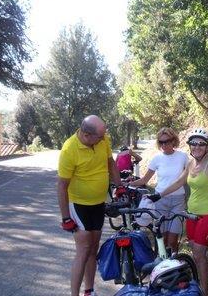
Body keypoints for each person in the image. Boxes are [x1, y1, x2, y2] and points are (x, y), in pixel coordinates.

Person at [148, 128, 208, 296]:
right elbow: (179, 183)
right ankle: (199, 286)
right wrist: (159, 195)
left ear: (207, 147)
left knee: (199, 254)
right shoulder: (191, 164)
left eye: (201, 144)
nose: (197, 147)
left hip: (206, 215)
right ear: (190, 146)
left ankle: (206, 292)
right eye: (193, 144)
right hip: (190, 214)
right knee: (195, 253)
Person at [57, 115, 124, 296]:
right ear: (86, 134)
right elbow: (62, 185)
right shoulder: (70, 149)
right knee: (84, 249)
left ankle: (89, 291)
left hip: (98, 204)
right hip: (79, 205)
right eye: (99, 136)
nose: (104, 139)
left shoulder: (102, 140)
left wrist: (119, 187)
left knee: (93, 247)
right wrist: (65, 217)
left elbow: (111, 164)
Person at [127, 127, 188, 253]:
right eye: (161, 142)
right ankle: (162, 265)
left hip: (178, 201)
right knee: (163, 239)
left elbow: (189, 177)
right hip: (160, 200)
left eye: (167, 141)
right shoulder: (157, 159)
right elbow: (144, 180)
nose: (164, 144)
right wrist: (126, 184)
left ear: (173, 140)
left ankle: (176, 262)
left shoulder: (183, 157)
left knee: (172, 239)